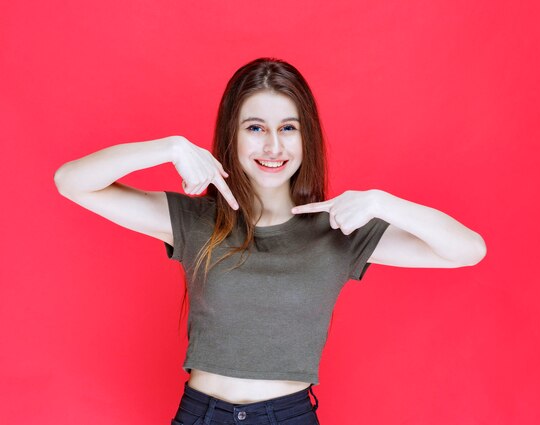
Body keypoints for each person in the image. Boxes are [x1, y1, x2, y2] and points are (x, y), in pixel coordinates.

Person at [54, 57, 486, 425]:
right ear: (233, 136)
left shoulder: (337, 230)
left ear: (306, 136)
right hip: (201, 414)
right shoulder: (195, 220)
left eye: (288, 128)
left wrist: (383, 202)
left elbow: (468, 250)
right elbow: (71, 182)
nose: (274, 145)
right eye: (256, 128)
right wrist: (168, 148)